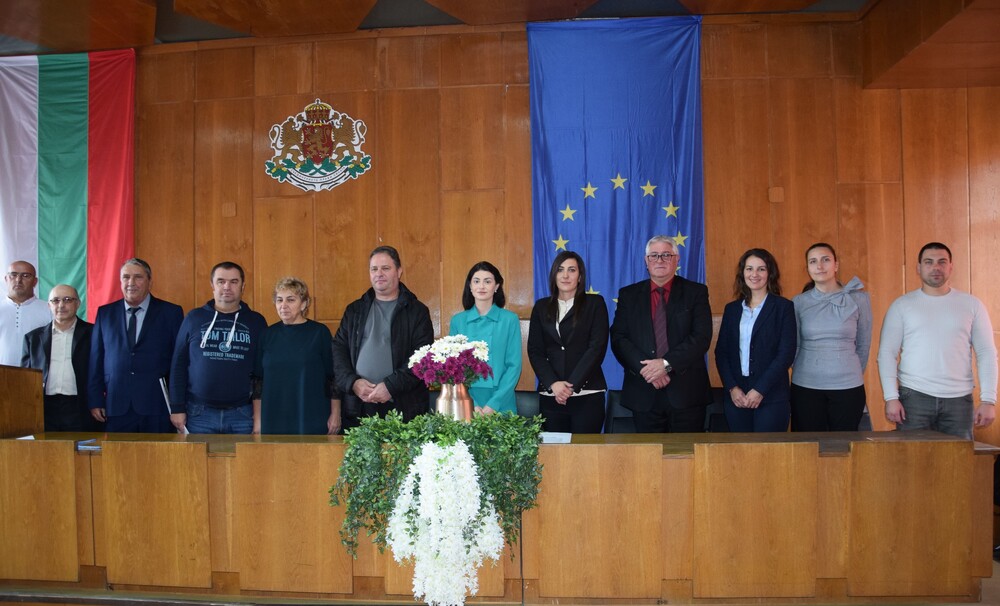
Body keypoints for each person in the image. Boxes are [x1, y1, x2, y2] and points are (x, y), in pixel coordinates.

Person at [877, 242, 997, 439]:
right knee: (913, 464)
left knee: (957, 466)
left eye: (942, 262)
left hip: (959, 401)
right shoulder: (902, 306)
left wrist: (989, 400)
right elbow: (886, 354)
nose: (936, 267)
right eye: (929, 262)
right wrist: (891, 397)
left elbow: (987, 353)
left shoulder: (972, 305)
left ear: (951, 266)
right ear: (919, 268)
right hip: (913, 398)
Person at [611, 236, 713, 433]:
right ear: (646, 261)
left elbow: (701, 337)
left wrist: (665, 365)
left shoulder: (696, 292)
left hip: (687, 393)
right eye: (654, 256)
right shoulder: (628, 295)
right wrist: (649, 370)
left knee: (687, 458)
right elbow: (619, 337)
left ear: (677, 259)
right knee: (648, 460)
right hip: (643, 391)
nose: (660, 260)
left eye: (666, 255)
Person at [332, 245, 434, 429]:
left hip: (404, 408)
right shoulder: (354, 310)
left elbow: (422, 360)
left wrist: (390, 386)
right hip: (358, 407)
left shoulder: (417, 311)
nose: (379, 273)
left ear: (399, 271)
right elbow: (339, 350)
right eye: (374, 269)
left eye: (385, 268)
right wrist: (352, 382)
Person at [169, 262, 267, 434]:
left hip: (243, 415)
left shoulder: (256, 322)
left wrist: (259, 416)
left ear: (243, 286)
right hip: (198, 414)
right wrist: (177, 408)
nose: (227, 287)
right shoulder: (194, 318)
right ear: (212, 285)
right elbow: (178, 365)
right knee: (197, 462)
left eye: (234, 282)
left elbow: (263, 372)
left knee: (244, 462)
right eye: (221, 281)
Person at [88, 258, 184, 433]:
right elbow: (96, 359)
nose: (131, 283)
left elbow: (179, 362)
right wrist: (95, 400)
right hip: (116, 405)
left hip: (157, 406)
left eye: (138, 277)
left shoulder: (171, 313)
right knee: (118, 458)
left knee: (158, 458)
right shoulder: (105, 314)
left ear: (149, 281)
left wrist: (179, 405)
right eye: (126, 277)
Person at [790, 243, 872, 432]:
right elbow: (795, 346)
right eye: (813, 261)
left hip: (848, 387)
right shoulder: (798, 302)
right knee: (808, 448)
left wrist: (844, 370)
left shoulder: (859, 299)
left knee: (844, 449)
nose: (819, 266)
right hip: (806, 386)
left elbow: (863, 344)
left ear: (836, 265)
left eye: (825, 260)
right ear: (808, 268)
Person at [714, 248, 797, 432]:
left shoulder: (783, 307)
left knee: (768, 454)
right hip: (737, 396)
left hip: (771, 395)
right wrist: (732, 388)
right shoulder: (732, 310)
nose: (754, 274)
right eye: (749, 268)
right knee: (741, 454)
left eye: (761, 269)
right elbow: (722, 352)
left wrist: (760, 389)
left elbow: (786, 354)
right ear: (742, 273)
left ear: (770, 273)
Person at [527, 251, 608, 433]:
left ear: (580, 276)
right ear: (553, 275)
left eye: (572, 270)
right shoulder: (541, 307)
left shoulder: (595, 303)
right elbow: (535, 351)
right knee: (555, 457)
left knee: (585, 456)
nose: (565, 275)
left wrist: (570, 386)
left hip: (587, 395)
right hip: (551, 395)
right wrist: (554, 384)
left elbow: (596, 348)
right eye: (560, 270)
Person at [252, 277, 339, 435]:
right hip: (273, 417)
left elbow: (332, 377)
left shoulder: (319, 333)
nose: (283, 306)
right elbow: (258, 381)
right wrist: (258, 421)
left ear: (304, 303)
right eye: (279, 300)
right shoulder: (267, 335)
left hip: (311, 415)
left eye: (290, 300)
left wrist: (336, 414)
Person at [21, 284, 100, 431]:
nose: (61, 305)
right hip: (45, 408)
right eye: (56, 300)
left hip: (80, 407)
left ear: (78, 304)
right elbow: (26, 380)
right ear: (49, 305)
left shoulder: (94, 334)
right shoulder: (33, 339)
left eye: (68, 300)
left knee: (78, 452)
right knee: (48, 453)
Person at [448, 261, 522, 414]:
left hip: (502, 400)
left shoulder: (509, 319)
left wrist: (494, 405)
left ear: (496, 287)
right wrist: (471, 404)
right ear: (470, 286)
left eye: (487, 281)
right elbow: (454, 368)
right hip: (466, 400)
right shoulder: (458, 321)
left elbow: (514, 365)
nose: (481, 286)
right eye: (476, 281)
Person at [1, 260, 51, 366]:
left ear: (35, 281)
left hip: (36, 376)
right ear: (6, 279)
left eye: (25, 275)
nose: (18, 280)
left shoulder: (49, 309)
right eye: (13, 275)